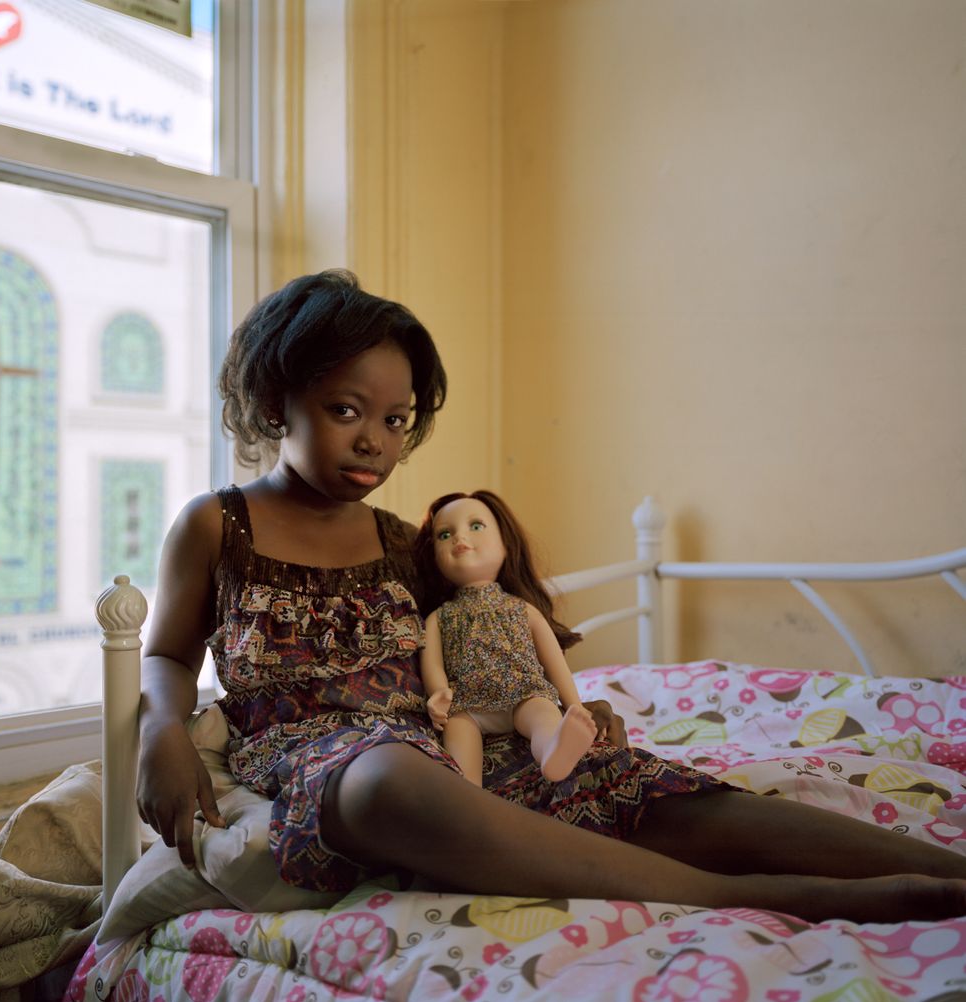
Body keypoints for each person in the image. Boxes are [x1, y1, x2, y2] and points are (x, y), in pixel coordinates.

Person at [136, 268, 966, 924]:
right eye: (346, 408)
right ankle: (755, 899)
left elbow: (476, 640)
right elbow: (169, 651)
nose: (374, 441)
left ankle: (945, 871)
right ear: (278, 397)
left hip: (455, 746)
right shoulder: (218, 525)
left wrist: (557, 705)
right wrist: (165, 730)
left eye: (397, 420)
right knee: (386, 779)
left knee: (639, 784)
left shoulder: (399, 540)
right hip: (325, 759)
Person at [416, 490, 597, 784]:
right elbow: (433, 663)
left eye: (476, 526)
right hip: (467, 702)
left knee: (544, 713)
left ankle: (554, 751)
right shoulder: (439, 617)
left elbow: (552, 660)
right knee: (458, 732)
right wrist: (438, 694)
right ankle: (467, 791)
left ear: (505, 545)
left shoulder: (521, 608)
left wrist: (575, 705)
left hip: (523, 692)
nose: (460, 538)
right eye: (445, 534)